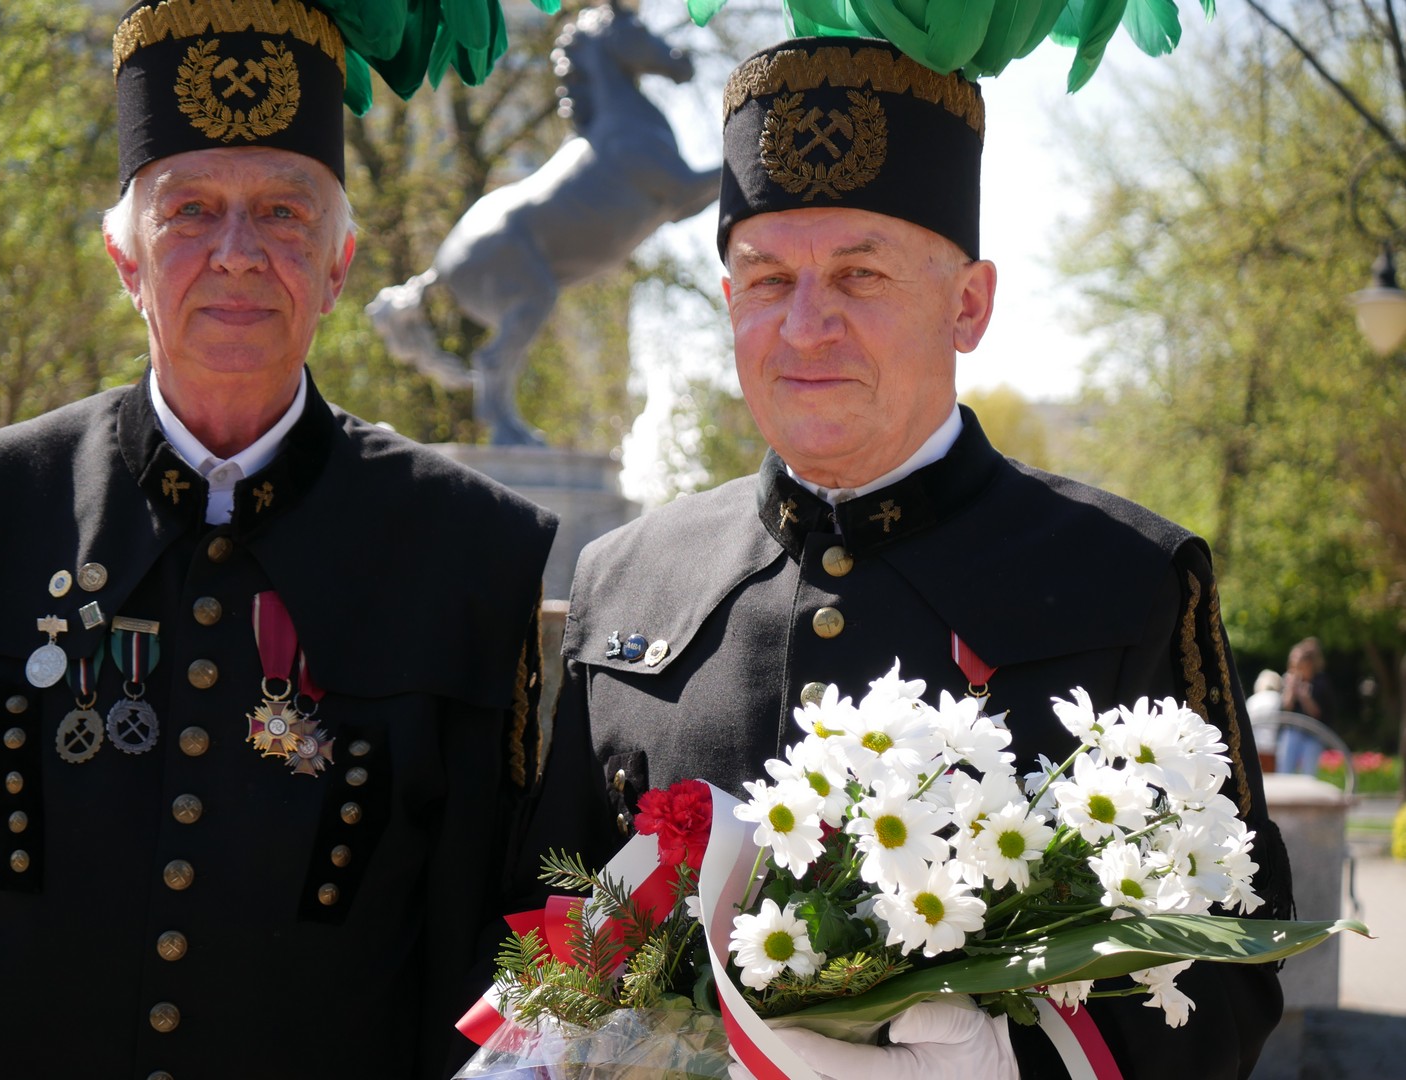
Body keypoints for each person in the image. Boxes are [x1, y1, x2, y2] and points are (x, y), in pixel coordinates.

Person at [526, 36, 1292, 1080]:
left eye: (860, 273)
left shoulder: (1127, 580)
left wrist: (1013, 1067)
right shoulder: (628, 579)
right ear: (726, 301)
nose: (805, 325)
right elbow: (546, 927)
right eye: (766, 277)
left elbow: (1232, 957)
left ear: (967, 305)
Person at [0, 2, 556, 1077]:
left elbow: (480, 955)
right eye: (188, 210)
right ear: (125, 260)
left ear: (338, 266)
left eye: (284, 214)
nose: (237, 254)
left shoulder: (471, 556)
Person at [1278, 636, 1335, 775]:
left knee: (1308, 773)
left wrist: (1304, 697)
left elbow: (1317, 713)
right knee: (1285, 769)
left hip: (1313, 733)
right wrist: (1291, 690)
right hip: (1293, 731)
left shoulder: (1320, 683)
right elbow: (1286, 708)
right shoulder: (1289, 680)